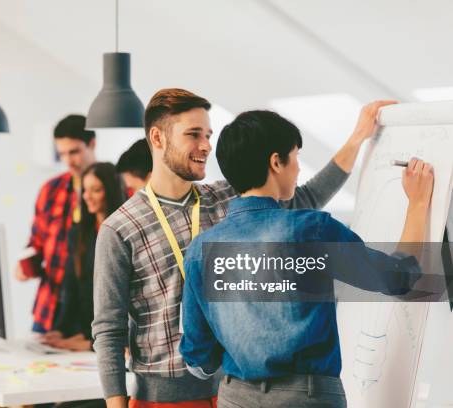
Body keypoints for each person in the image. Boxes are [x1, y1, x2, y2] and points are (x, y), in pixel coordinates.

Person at [92, 88, 393, 408]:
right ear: (158, 137)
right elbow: (109, 328)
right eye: (194, 134)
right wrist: (115, 403)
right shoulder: (119, 228)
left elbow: (303, 197)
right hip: (165, 397)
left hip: (232, 389)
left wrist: (358, 138)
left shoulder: (229, 198)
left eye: (208, 134)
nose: (206, 145)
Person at [179, 110, 433, 407]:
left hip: (235, 397)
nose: (298, 169)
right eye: (295, 157)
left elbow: (199, 358)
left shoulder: (201, 250)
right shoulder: (311, 230)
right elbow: (397, 279)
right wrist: (417, 204)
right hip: (305, 397)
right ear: (276, 162)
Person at [16, 114, 96, 333]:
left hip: (89, 315)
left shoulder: (117, 188)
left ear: (92, 144)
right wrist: (25, 264)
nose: (69, 161)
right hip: (48, 310)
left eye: (74, 152)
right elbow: (36, 242)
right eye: (62, 154)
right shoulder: (51, 190)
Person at [42, 162, 125, 351]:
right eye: (85, 190)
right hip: (83, 332)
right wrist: (61, 330)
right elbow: (71, 286)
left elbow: (119, 300)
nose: (87, 197)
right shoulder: (79, 233)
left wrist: (89, 343)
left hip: (107, 339)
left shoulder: (123, 234)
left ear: (110, 191)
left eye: (96, 190)